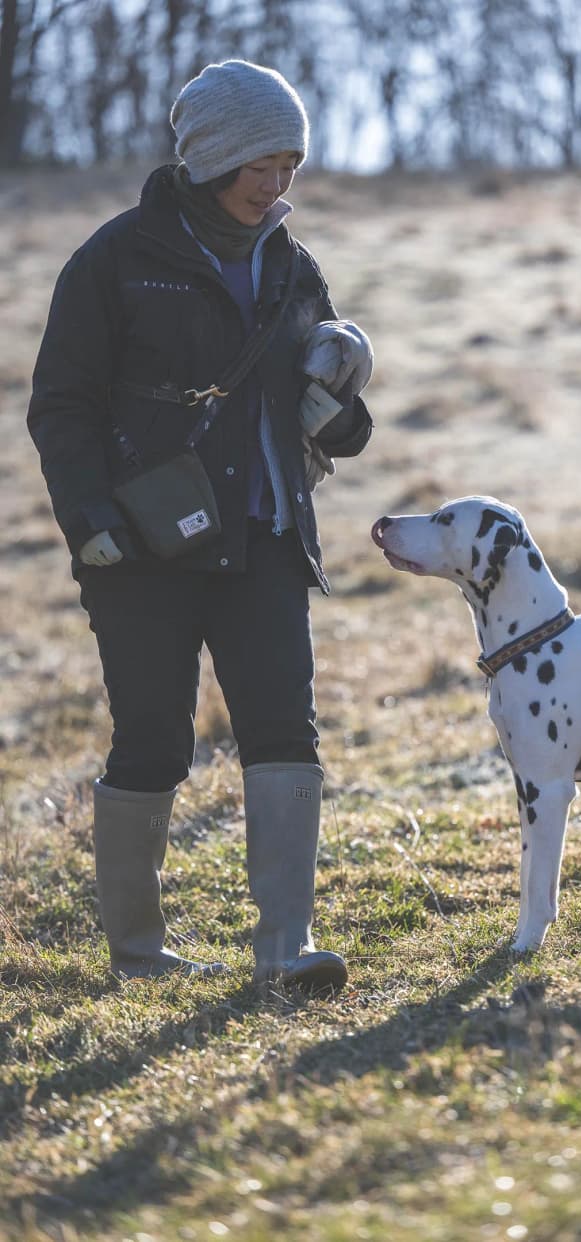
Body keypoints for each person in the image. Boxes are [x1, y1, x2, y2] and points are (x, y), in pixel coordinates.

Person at [27, 60, 374, 994]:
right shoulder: (115, 258)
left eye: (290, 164)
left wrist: (340, 414)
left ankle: (284, 951)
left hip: (263, 533)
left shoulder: (295, 267)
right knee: (153, 741)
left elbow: (329, 407)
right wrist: (91, 520)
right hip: (141, 545)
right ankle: (141, 958)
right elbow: (61, 405)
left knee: (284, 731)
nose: (277, 184)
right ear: (212, 155)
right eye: (261, 163)